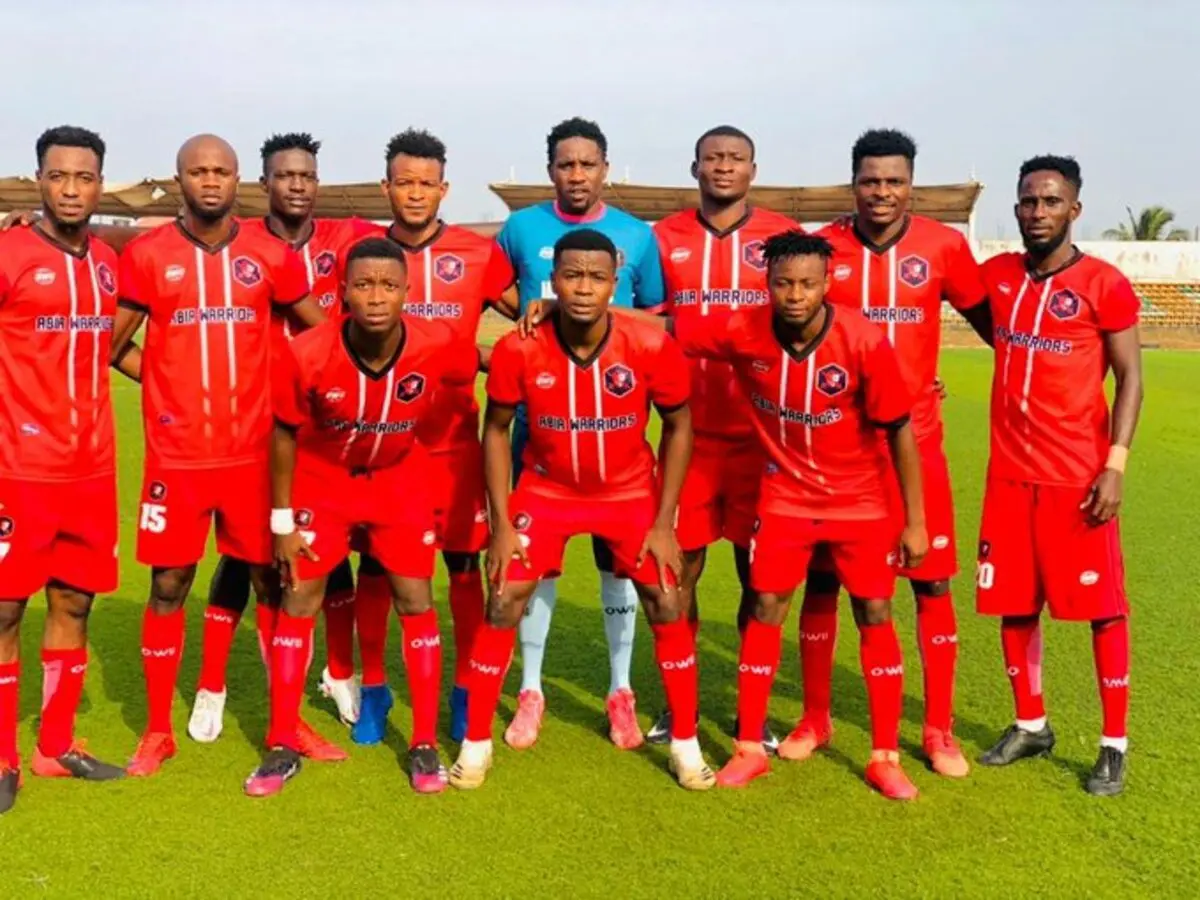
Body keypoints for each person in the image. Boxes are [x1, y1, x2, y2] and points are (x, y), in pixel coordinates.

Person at [450, 228, 713, 790]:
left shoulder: (648, 345)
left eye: (597, 277)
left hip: (629, 493)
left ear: (615, 283)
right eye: (572, 276)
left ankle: (685, 744)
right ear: (553, 281)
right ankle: (475, 744)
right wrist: (500, 525)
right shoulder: (519, 347)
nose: (584, 288)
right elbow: (495, 430)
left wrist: (664, 522)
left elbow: (680, 425)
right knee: (503, 597)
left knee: (668, 598)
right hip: (547, 492)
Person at [670, 231, 928, 800]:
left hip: (860, 500)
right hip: (785, 496)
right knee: (766, 605)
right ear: (766, 284)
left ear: (827, 283)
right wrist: (563, 310)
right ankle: (749, 748)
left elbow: (900, 430)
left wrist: (915, 521)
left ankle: (884, 756)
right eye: (784, 283)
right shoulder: (742, 329)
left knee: (874, 610)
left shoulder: (863, 339)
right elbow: (668, 326)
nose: (795, 295)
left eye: (807, 284)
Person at [113, 134, 336, 776]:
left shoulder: (269, 254)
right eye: (198, 171)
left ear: (239, 180)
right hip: (177, 458)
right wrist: (162, 386)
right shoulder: (148, 254)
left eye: (221, 171)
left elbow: (322, 334)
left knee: (270, 579)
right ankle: (157, 731)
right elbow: (112, 344)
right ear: (179, 179)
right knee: (168, 584)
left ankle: (285, 724)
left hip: (253, 455)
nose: (210, 180)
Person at [793, 129, 993, 777]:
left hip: (919, 443)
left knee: (930, 581)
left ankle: (938, 730)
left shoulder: (943, 246)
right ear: (853, 183)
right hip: (839, 452)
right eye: (871, 180)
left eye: (894, 181)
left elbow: (997, 327)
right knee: (824, 579)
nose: (882, 192)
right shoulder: (824, 249)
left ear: (912, 185)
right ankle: (815, 719)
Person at [247, 237, 477, 797]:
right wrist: (282, 523)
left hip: (398, 481)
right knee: (300, 598)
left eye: (389, 286)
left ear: (407, 292)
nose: (376, 297)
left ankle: (423, 741)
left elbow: (471, 376)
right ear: (343, 291)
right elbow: (282, 433)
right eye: (364, 285)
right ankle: (282, 743)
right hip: (321, 482)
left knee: (416, 599)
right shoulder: (306, 352)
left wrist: (548, 322)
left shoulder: (437, 342)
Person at [191, 133, 378, 741]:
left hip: (328, 424)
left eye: (307, 176)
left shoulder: (346, 237)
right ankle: (212, 686)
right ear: (264, 183)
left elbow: (401, 252)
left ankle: (339, 672)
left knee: (330, 550)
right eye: (285, 175)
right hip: (255, 423)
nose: (297, 185)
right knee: (246, 555)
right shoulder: (241, 240)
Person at [495, 117, 665, 751]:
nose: (576, 174)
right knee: (536, 566)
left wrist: (577, 307)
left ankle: (620, 690)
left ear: (605, 169)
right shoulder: (520, 229)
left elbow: (659, 319)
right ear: (550, 171)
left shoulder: (638, 235)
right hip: (539, 433)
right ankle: (531, 690)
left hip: (615, 435)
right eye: (565, 164)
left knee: (618, 565)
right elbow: (492, 293)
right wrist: (528, 318)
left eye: (587, 164)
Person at [344, 128, 518, 746]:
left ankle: (465, 691)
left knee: (463, 566)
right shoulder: (361, 254)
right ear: (385, 186)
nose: (414, 194)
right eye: (404, 182)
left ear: (443, 189)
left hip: (454, 444)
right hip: (380, 445)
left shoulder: (477, 252)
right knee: (376, 568)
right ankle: (374, 689)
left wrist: (501, 357)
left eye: (426, 183)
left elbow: (527, 314)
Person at [975, 155, 1142, 796]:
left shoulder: (1104, 283)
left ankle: (1113, 744)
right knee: (1014, 604)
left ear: (1074, 208)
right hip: (1009, 478)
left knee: (1103, 611)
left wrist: (1114, 464)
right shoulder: (997, 278)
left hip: (1077, 479)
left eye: (1050, 201)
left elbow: (1130, 379)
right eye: (1028, 201)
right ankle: (1031, 725)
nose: (1038, 211)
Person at [647, 124, 799, 749]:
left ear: (753, 170)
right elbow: (646, 322)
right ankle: (677, 703)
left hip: (764, 441)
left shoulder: (782, 237)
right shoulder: (664, 238)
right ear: (695, 168)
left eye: (736, 159)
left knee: (759, 580)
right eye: (713, 158)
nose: (724, 167)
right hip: (688, 435)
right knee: (677, 574)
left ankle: (750, 710)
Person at [0, 126, 127, 813]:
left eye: (83, 177)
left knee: (74, 602)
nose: (71, 189)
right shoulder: (9, 252)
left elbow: (116, 347)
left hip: (92, 469)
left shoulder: (107, 261)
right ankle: (2, 755)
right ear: (38, 181)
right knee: (4, 608)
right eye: (58, 176)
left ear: (99, 183)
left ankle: (55, 745)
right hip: (18, 468)